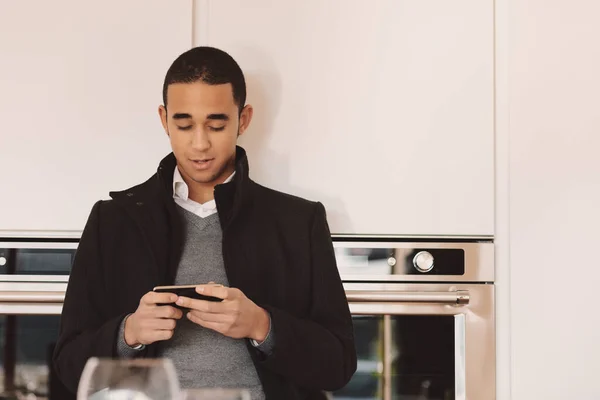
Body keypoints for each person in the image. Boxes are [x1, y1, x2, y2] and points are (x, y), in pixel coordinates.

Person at [53, 46, 357, 399]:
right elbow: (67, 366)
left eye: (216, 125)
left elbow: (339, 364)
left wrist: (262, 325)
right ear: (164, 119)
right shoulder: (113, 221)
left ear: (243, 120)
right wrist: (129, 332)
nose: (199, 144)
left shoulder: (298, 222)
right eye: (184, 125)